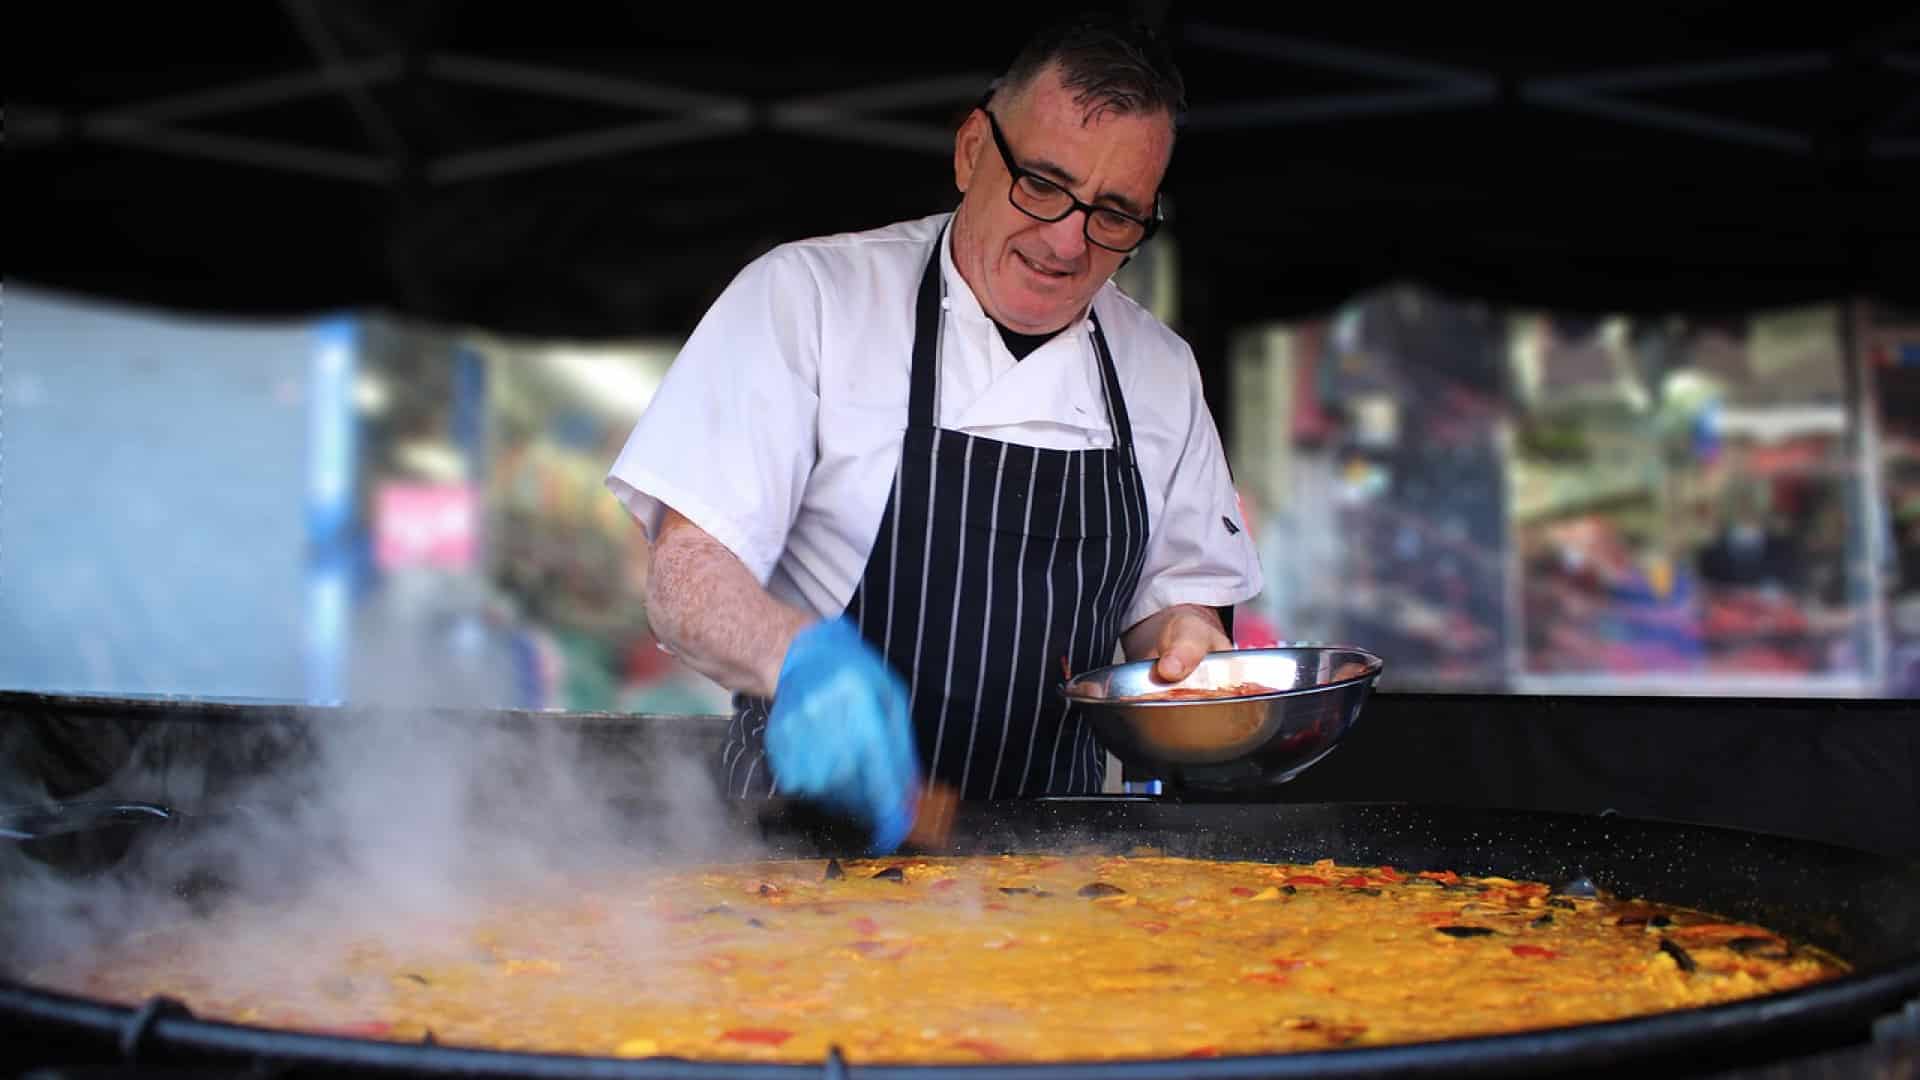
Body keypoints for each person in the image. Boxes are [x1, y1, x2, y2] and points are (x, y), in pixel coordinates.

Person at [605, 11, 1263, 851]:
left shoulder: (1160, 370)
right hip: (789, 871)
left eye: (1114, 215)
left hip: (1067, 891)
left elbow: (1175, 601)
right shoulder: (811, 300)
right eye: (1044, 185)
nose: (1068, 242)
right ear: (972, 151)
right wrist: (797, 655)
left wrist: (1184, 644)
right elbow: (687, 574)